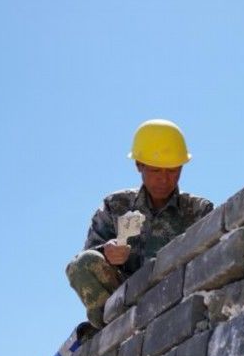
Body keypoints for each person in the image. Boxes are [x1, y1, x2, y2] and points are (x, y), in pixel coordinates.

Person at [66, 119, 213, 329]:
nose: (164, 179)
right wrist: (107, 253)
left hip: (175, 296)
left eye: (172, 171)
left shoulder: (198, 210)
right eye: (155, 171)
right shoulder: (115, 206)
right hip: (122, 304)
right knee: (83, 264)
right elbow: (85, 260)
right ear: (139, 165)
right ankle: (110, 332)